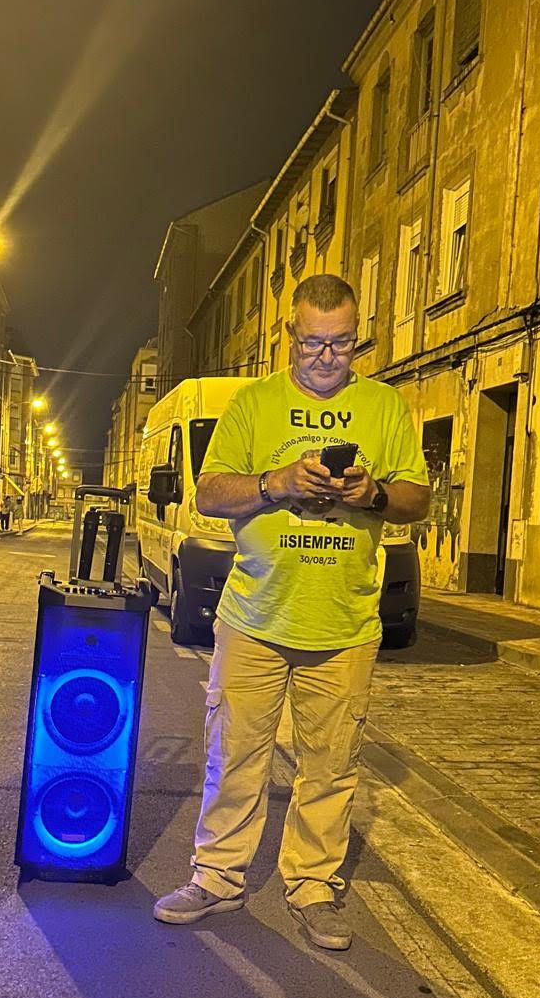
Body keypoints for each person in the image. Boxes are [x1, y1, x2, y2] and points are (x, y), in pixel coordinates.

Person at [154, 274, 430, 950]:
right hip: (254, 617)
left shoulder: (385, 407)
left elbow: (418, 498)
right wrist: (277, 483)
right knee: (233, 755)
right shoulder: (254, 404)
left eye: (341, 344)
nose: (327, 357)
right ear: (290, 335)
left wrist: (370, 495)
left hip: (344, 624)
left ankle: (312, 887)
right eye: (313, 343)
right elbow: (210, 493)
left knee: (330, 766)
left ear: (358, 335)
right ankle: (217, 877)